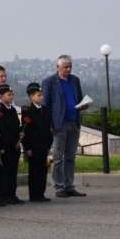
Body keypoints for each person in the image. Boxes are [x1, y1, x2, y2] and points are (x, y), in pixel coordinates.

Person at [42, 55, 88, 198]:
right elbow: (46, 105)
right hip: (59, 124)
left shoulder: (75, 80)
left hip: (74, 122)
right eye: (65, 67)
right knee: (58, 156)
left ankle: (69, 185)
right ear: (58, 67)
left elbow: (79, 99)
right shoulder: (49, 82)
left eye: (70, 66)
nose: (68, 69)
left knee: (71, 157)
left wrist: (83, 105)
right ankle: (59, 186)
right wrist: (49, 124)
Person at [22, 83, 53, 202]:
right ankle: (34, 194)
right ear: (31, 96)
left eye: (42, 95)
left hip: (44, 144)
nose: (42, 97)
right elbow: (27, 131)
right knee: (34, 171)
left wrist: (49, 144)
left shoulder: (45, 110)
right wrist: (27, 148)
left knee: (43, 170)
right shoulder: (28, 110)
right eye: (39, 95)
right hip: (34, 145)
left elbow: (48, 127)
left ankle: (41, 193)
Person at [0, 86, 22, 205]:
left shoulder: (12, 110)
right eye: (8, 95)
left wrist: (19, 135)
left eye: (12, 94)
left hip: (14, 146)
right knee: (4, 172)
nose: (11, 97)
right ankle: (3, 194)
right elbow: (1, 129)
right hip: (5, 146)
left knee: (12, 171)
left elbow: (15, 126)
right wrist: (1, 147)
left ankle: (12, 194)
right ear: (0, 96)